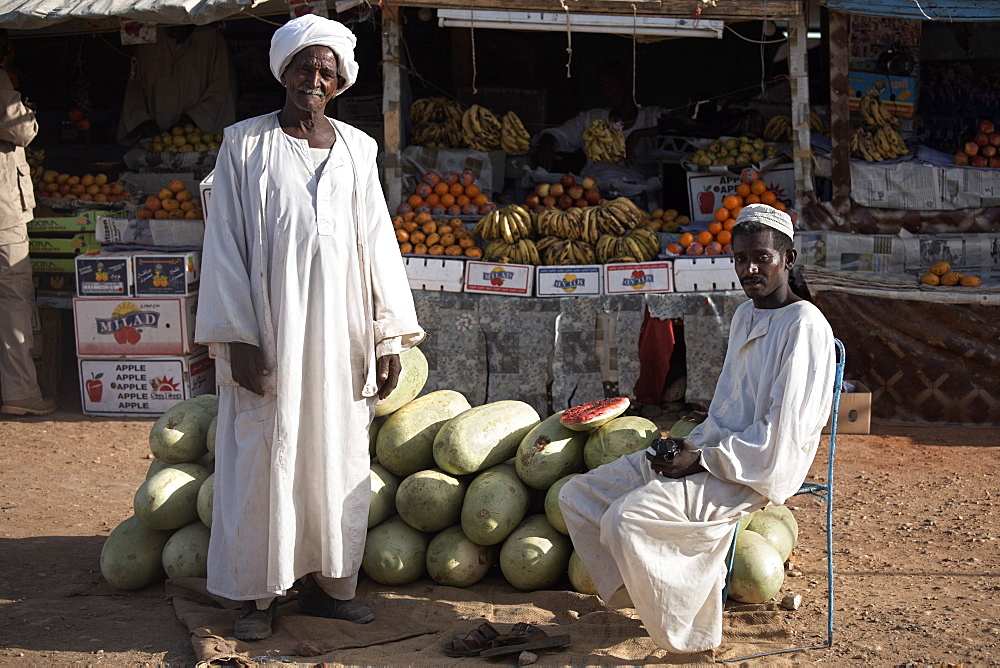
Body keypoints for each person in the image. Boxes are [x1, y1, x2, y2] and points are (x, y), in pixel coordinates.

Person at [194, 14, 424, 641]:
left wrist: (387, 334)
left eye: (327, 69)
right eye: (304, 66)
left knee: (336, 453)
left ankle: (330, 585)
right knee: (264, 456)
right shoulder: (244, 144)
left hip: (341, 335)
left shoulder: (359, 149)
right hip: (269, 334)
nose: (314, 79)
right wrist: (235, 335)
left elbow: (379, 245)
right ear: (284, 70)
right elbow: (225, 246)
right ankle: (257, 597)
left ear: (342, 79)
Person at [559, 203, 835, 654]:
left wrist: (704, 459)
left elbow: (780, 438)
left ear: (788, 259)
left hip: (753, 467)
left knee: (625, 519)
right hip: (714, 448)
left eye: (761, 258)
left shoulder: (805, 326)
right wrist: (687, 446)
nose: (750, 268)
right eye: (741, 258)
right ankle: (652, 596)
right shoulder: (747, 314)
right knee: (579, 495)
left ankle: (688, 639)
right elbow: (726, 409)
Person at [0, 31, 55, 417]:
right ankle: (20, 391)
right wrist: (26, 105)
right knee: (13, 299)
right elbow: (20, 129)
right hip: (1, 211)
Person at [534, 62, 665, 184]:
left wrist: (639, 134)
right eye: (604, 88)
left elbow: (680, 129)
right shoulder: (591, 118)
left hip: (637, 187)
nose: (609, 93)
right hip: (593, 187)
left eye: (613, 85)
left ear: (627, 82)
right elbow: (560, 134)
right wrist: (546, 145)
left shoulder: (652, 116)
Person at [117, 24, 236, 144]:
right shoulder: (148, 37)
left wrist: (193, 118)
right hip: (155, 132)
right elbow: (135, 85)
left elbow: (221, 86)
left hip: (199, 134)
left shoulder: (211, 38)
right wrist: (142, 120)